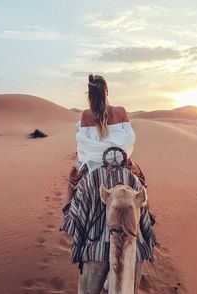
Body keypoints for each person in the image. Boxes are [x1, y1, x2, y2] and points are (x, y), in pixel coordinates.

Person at [60, 74, 156, 294]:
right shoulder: (121, 111)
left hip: (93, 167)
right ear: (107, 91)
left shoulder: (85, 115)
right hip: (122, 161)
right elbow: (129, 142)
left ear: (89, 95)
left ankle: (70, 219)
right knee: (141, 184)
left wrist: (91, 158)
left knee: (72, 182)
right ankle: (146, 226)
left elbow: (83, 148)